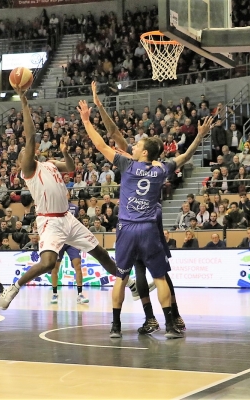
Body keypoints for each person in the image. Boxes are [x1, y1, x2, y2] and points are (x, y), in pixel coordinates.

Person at [77, 95, 214, 339]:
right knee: (160, 276)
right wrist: (200, 135)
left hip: (128, 227)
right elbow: (185, 156)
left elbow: (100, 145)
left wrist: (87, 121)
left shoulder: (127, 165)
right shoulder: (162, 168)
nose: (135, 145)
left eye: (138, 145)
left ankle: (116, 326)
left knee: (121, 276)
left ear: (143, 152)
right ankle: (170, 325)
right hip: (150, 227)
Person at [0, 89, 131, 311]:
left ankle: (129, 281)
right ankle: (15, 287)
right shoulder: (28, 169)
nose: (27, 151)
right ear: (21, 160)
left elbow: (70, 168)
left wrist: (65, 152)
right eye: (24, 152)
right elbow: (30, 137)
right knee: (49, 262)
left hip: (67, 218)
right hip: (49, 221)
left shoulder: (49, 163)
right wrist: (23, 101)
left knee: (100, 252)